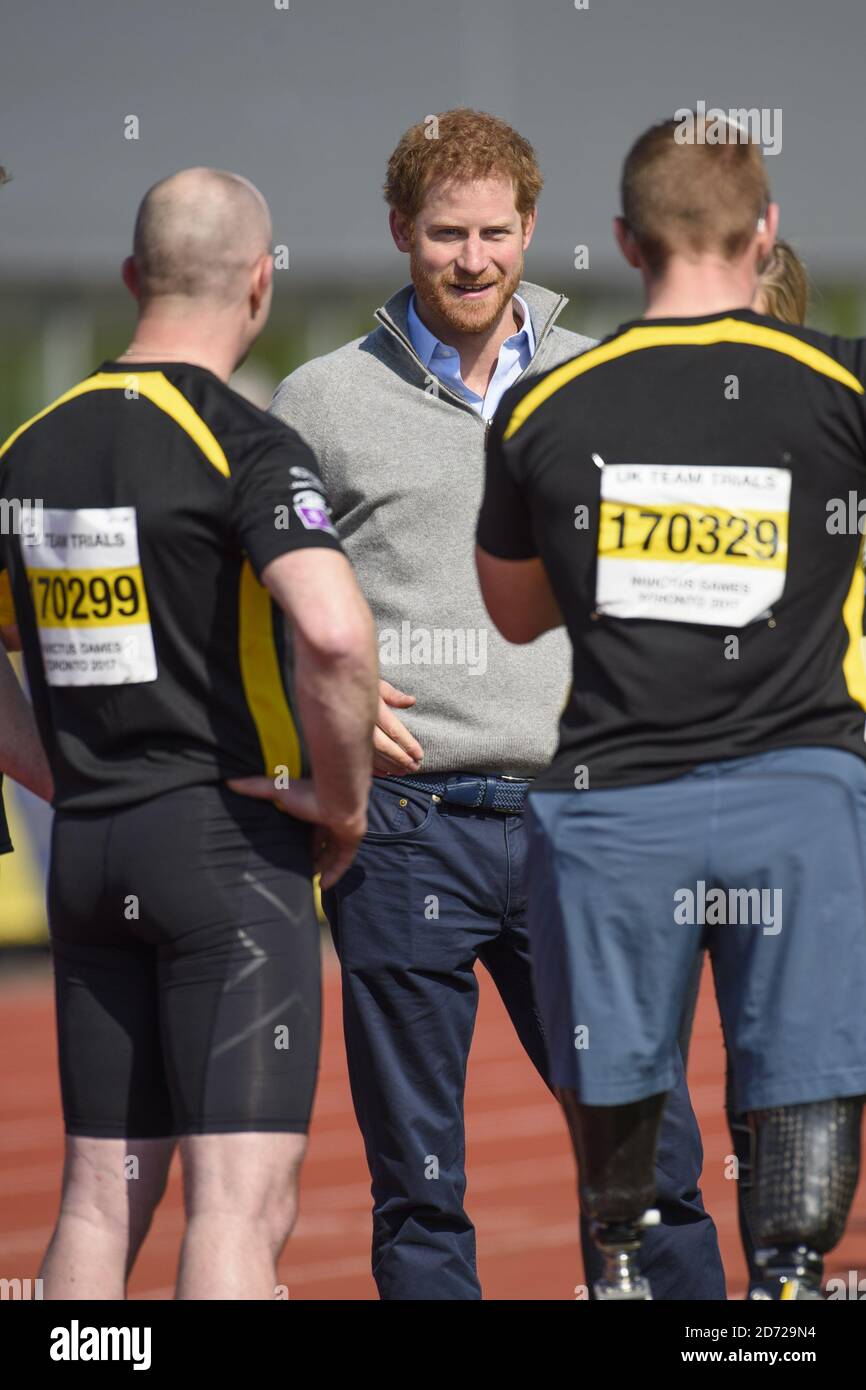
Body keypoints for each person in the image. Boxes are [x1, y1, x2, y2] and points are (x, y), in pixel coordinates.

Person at [270, 108, 725, 1300]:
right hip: (401, 826)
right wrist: (314, 700)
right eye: (442, 234)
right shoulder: (318, 400)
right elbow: (250, 591)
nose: (470, 259)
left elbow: (669, 583)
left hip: (582, 821)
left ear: (531, 230)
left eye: (493, 232)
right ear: (398, 233)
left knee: (648, 1150)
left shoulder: (605, 385)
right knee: (418, 1181)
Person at [476, 113, 866, 1300]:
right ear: (764, 235)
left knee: (626, 1207)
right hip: (797, 797)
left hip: (611, 810)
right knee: (791, 1155)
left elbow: (512, 614)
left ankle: (627, 1271)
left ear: (621, 240)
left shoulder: (543, 405)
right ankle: (784, 1294)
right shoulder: (841, 382)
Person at [0, 167, 378, 1299]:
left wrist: (64, 776)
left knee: (96, 1193)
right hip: (227, 850)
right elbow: (331, 631)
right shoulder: (244, 441)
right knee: (236, 1204)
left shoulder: (29, 449)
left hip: (92, 851)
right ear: (260, 285)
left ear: (132, 277)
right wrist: (342, 799)